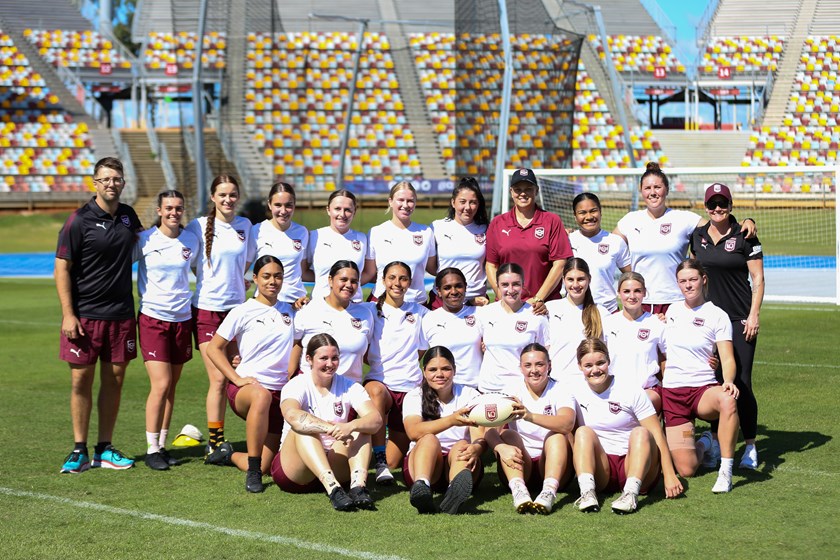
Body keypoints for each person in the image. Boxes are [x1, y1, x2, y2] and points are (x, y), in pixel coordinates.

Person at [56, 156, 142, 473]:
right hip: (85, 315)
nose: (111, 184)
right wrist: (69, 314)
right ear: (95, 182)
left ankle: (104, 448)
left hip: (121, 315)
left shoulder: (129, 217)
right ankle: (78, 449)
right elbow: (61, 267)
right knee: (81, 380)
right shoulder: (79, 220)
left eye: (116, 178)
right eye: (105, 179)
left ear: (123, 182)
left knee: (115, 381)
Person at [204, 256, 295, 492]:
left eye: (277, 276)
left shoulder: (291, 310)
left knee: (268, 464)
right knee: (261, 396)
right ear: (255, 278)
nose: (272, 281)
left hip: (279, 394)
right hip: (247, 389)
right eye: (266, 276)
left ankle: (229, 455)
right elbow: (214, 348)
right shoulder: (242, 311)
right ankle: (253, 472)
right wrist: (235, 378)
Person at [613, 162, 756, 313]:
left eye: (658, 187)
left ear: (667, 189)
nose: (653, 192)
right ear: (641, 191)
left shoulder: (684, 219)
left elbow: (718, 226)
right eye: (647, 188)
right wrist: (630, 272)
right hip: (641, 301)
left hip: (677, 301)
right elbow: (611, 246)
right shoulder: (630, 220)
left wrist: (745, 222)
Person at [690, 183, 764, 470]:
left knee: (741, 381)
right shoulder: (697, 236)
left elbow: (758, 279)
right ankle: (719, 442)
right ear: (706, 207)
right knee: (714, 380)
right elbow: (694, 276)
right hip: (708, 320)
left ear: (731, 206)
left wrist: (754, 315)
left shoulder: (745, 235)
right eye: (712, 204)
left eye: (723, 204)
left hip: (739, 319)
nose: (718, 209)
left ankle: (751, 446)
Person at [272, 334, 383, 511]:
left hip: (335, 461)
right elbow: (292, 415)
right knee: (302, 428)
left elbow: (376, 420)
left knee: (362, 427)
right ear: (309, 359)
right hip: (297, 472)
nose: (330, 364)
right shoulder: (297, 384)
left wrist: (351, 426)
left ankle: (358, 488)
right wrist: (330, 427)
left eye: (335, 358)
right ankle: (334, 490)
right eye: (323, 358)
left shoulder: (350, 386)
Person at [186, 174, 255, 457]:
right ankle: (215, 443)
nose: (228, 200)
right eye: (222, 195)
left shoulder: (246, 226)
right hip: (206, 311)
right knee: (218, 378)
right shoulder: (198, 226)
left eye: (233, 194)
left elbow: (248, 261)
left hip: (237, 312)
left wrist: (239, 281)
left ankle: (262, 431)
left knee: (244, 373)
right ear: (213, 197)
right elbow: (189, 264)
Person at [572, 338, 683, 514]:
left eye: (601, 363)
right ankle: (587, 492)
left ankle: (631, 494)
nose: (595, 370)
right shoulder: (574, 390)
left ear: (609, 361)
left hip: (636, 464)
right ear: (579, 366)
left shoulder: (629, 388)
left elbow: (657, 433)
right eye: (588, 365)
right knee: (582, 432)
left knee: (641, 432)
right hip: (603, 469)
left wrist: (669, 474)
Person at [662, 259, 740, 493]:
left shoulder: (717, 315)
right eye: (683, 281)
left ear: (703, 280)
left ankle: (725, 471)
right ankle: (706, 441)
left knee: (728, 400)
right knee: (687, 469)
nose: (688, 285)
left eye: (693, 279)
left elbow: (726, 357)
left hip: (702, 391)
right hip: (674, 394)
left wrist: (728, 381)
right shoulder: (671, 311)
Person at [136, 190, 199, 470]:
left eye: (178, 208)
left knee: (171, 387)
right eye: (169, 208)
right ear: (159, 211)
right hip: (153, 318)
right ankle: (151, 449)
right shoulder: (145, 240)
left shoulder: (191, 240)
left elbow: (203, 270)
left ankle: (161, 446)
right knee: (160, 385)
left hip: (182, 320)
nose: (174, 212)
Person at [485, 343, 575, 514]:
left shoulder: (561, 389)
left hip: (553, 465)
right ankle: (519, 491)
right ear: (521, 368)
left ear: (549, 366)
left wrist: (529, 415)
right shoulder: (511, 391)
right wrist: (500, 448)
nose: (534, 370)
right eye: (528, 365)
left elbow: (567, 424)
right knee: (509, 434)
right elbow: (489, 431)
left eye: (539, 364)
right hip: (519, 465)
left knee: (556, 436)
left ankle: (549, 491)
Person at [364, 261, 429, 485]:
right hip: (381, 383)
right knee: (375, 391)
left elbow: (423, 349)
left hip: (410, 387)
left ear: (409, 283)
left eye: (403, 279)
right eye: (392, 278)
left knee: (396, 462)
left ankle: (395, 458)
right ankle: (378, 459)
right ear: (383, 280)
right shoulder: (370, 311)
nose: (397, 283)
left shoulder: (420, 312)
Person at [402, 346, 486, 514]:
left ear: (454, 370)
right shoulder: (414, 395)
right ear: (424, 372)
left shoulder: (470, 395)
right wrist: (451, 420)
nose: (439, 374)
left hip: (458, 462)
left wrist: (477, 448)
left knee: (463, 444)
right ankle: (422, 487)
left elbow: (479, 437)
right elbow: (413, 432)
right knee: (428, 439)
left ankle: (454, 492)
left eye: (446, 369)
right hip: (424, 463)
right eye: (433, 369)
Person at [485, 168, 573, 311]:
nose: (523, 193)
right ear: (511, 192)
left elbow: (560, 263)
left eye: (528, 189)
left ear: (536, 190)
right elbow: (491, 265)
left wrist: (538, 298)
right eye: (518, 189)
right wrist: (501, 294)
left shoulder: (552, 221)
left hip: (544, 306)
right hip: (507, 306)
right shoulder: (497, 223)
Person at [290, 260, 374, 383]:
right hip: (312, 386)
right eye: (343, 279)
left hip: (349, 389)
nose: (349, 285)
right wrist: (290, 377)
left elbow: (367, 353)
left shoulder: (365, 314)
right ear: (330, 280)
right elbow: (294, 345)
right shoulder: (309, 309)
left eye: (354, 281)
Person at [476, 263, 549, 393]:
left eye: (516, 284)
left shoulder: (536, 316)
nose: (510, 290)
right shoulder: (484, 313)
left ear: (523, 284)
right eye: (505, 285)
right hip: (489, 388)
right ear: (497, 285)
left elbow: (545, 354)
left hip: (521, 390)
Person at [602, 272, 666, 412]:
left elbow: (667, 358)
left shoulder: (656, 323)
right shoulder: (608, 323)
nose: (632, 296)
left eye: (637, 291)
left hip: (647, 391)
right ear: (618, 293)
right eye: (626, 291)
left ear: (644, 293)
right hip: (615, 391)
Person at [363, 181, 435, 304]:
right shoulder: (376, 232)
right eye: (400, 200)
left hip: (416, 304)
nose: (405, 205)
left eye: (410, 201)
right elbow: (369, 273)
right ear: (390, 201)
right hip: (381, 303)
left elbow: (434, 269)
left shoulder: (426, 232)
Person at [426, 177, 489, 308]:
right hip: (443, 300)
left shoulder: (486, 229)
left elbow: (490, 265)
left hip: (477, 301)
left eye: (473, 202)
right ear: (453, 202)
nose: (467, 207)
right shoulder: (437, 227)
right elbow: (431, 267)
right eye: (462, 202)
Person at [545, 257, 610, 379]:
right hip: (558, 383)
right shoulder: (550, 309)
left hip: (590, 385)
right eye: (570, 279)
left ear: (589, 280)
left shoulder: (602, 313)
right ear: (563, 280)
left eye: (580, 279)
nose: (575, 285)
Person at [251, 182, 309, 308]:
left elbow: (303, 270)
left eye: (288, 205)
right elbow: (242, 266)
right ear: (269, 205)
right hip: (265, 302)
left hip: (296, 302)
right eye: (278, 205)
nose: (283, 211)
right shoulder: (257, 230)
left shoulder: (302, 232)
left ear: (294, 206)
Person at [569, 192, 631, 312]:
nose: (589, 216)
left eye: (593, 211)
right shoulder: (567, 241)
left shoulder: (615, 241)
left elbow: (631, 276)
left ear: (600, 212)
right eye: (582, 213)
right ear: (575, 216)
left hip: (608, 311)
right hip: (576, 312)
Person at [421, 268, 482, 388]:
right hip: (444, 389)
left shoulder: (480, 314)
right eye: (447, 287)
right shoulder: (429, 319)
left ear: (465, 287)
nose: (453, 291)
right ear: (438, 291)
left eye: (458, 286)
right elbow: (417, 355)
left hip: (476, 388)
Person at [303, 189, 367, 303]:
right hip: (321, 305)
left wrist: (350, 285)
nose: (342, 214)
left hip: (355, 307)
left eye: (347, 210)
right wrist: (324, 279)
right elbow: (303, 272)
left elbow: (368, 273)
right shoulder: (314, 236)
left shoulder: (363, 239)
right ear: (328, 210)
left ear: (354, 212)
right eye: (337, 209)